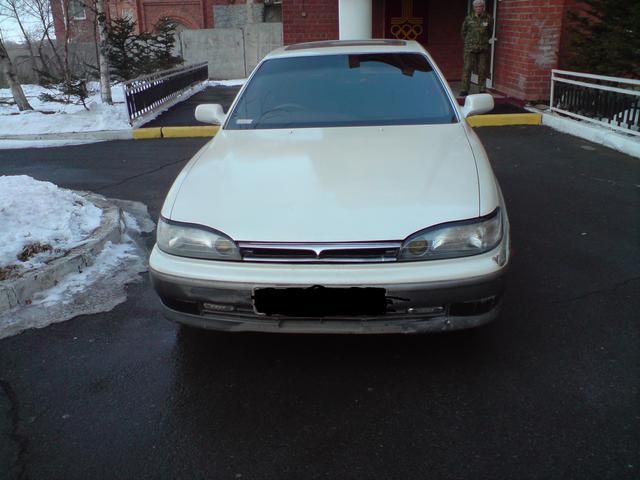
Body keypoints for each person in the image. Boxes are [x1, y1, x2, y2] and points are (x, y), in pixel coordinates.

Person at [460, 0, 493, 96]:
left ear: (483, 7)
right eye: (477, 7)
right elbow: (463, 32)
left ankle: (482, 88)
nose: (479, 8)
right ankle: (464, 89)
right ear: (474, 8)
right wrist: (469, 42)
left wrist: (483, 41)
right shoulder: (468, 18)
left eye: (481, 6)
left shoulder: (488, 18)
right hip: (470, 48)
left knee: (482, 69)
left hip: (483, 48)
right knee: (467, 68)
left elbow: (489, 32)